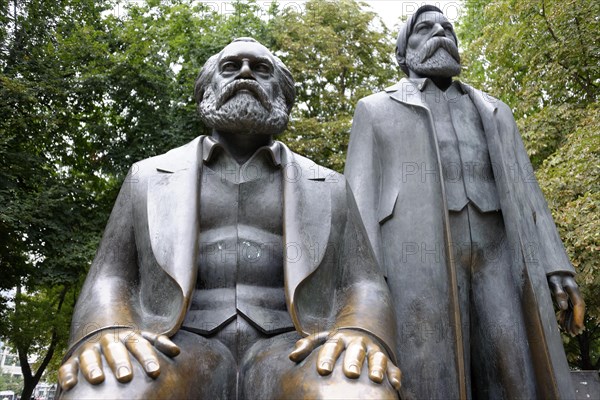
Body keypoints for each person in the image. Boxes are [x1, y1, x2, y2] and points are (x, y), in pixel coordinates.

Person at [57, 38, 400, 399]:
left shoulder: (330, 186)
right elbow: (110, 276)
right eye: (231, 67)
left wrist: (361, 332)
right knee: (107, 389)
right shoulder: (147, 177)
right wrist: (106, 329)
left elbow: (364, 284)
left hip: (294, 347)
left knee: (355, 391)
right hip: (174, 344)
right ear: (207, 89)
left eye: (262, 69)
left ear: (282, 94)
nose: (246, 74)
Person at [344, 6, 585, 399]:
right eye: (425, 29)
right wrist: (364, 287)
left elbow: (528, 192)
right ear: (404, 54)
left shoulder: (494, 111)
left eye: (447, 28)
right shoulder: (376, 110)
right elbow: (357, 200)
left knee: (513, 367)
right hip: (416, 255)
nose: (440, 32)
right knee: (428, 372)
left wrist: (558, 267)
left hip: (499, 254)